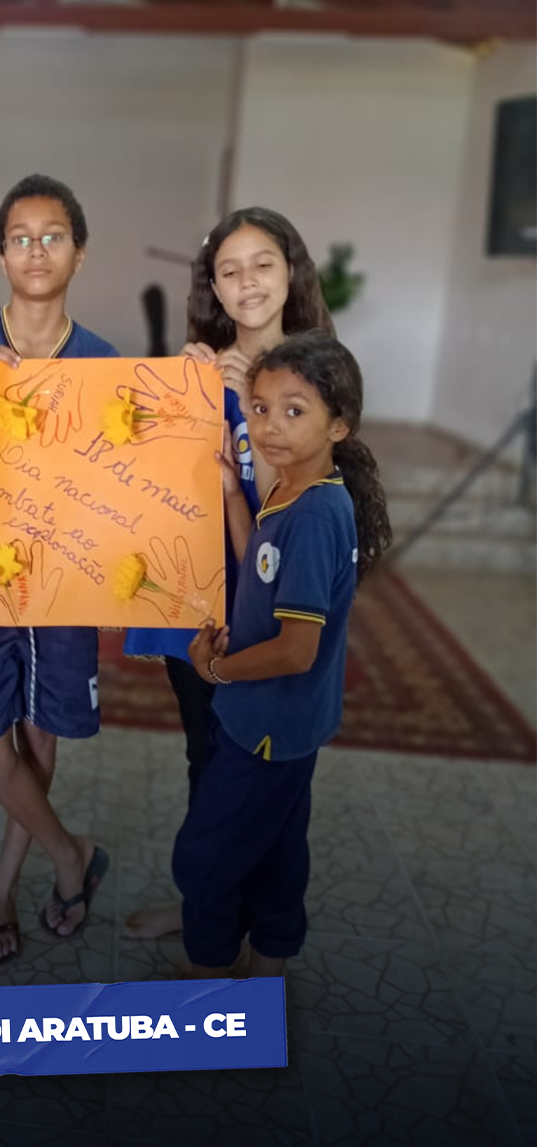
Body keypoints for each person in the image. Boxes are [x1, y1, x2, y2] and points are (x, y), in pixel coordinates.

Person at [123, 206, 334, 940]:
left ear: (291, 272)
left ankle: (260, 929)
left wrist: (249, 399)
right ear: (212, 286)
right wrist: (171, 395)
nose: (247, 282)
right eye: (229, 270)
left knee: (270, 770)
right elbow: (150, 479)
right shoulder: (198, 371)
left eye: (263, 264)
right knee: (206, 751)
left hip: (276, 608)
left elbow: (301, 494)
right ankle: (206, 912)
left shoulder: (318, 374)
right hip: (200, 597)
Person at [174, 331, 391, 977]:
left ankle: (212, 983)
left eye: (295, 411)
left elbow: (297, 650)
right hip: (278, 722)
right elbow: (259, 563)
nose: (270, 427)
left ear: (339, 425)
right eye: (262, 408)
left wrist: (216, 670)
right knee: (277, 850)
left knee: (203, 861)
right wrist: (229, 494)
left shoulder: (317, 515)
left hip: (268, 725)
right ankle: (268, 967)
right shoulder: (293, 489)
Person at [0, 173, 114, 972]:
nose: (36, 251)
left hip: (62, 582)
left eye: (53, 237)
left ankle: (1, 887)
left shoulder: (103, 362)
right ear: (1, 254)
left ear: (79, 253)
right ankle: (71, 851)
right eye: (20, 238)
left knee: (39, 735)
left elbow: (115, 486)